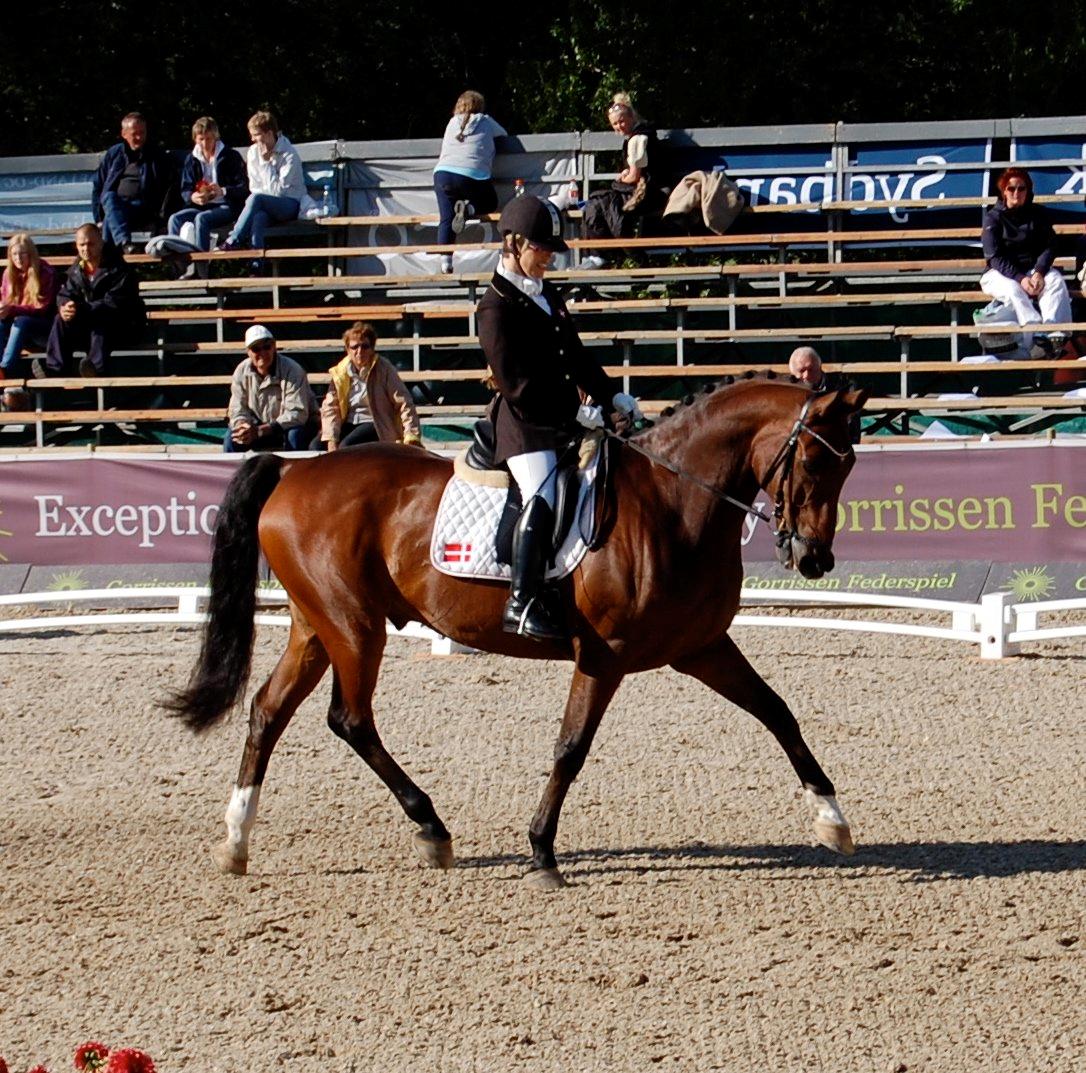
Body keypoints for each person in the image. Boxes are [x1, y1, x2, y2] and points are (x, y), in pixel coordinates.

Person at [478, 195, 643, 642]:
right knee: (544, 491)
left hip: (564, 419)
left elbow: (577, 355)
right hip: (524, 427)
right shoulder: (494, 307)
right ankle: (521, 600)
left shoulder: (547, 293)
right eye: (542, 247)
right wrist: (577, 411)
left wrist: (613, 396)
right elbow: (517, 386)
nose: (550, 255)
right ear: (512, 244)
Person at [980, 167, 1071, 358]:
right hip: (1000, 274)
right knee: (1014, 290)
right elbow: (994, 257)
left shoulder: (1038, 214)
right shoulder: (993, 218)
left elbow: (1050, 245)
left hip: (1031, 270)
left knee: (1054, 279)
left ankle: (1053, 333)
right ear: (1003, 191)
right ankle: (1036, 336)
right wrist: (1021, 278)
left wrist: (1038, 271)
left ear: (1028, 191)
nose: (1016, 193)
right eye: (1011, 188)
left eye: (1021, 189)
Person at [34, 223, 144, 379]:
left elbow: (115, 303)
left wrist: (80, 309)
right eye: (82, 245)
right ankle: (55, 369)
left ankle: (96, 370)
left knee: (101, 320)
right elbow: (65, 293)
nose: (86, 249)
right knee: (60, 319)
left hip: (123, 326)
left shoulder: (120, 269)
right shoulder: (75, 270)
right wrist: (65, 306)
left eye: (90, 244)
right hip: (86, 324)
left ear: (101, 242)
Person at [580, 93, 665, 269]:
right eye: (615, 124)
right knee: (600, 202)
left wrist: (623, 177)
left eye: (621, 121)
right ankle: (607, 253)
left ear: (631, 117)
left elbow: (634, 177)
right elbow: (637, 169)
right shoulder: (640, 135)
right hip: (646, 188)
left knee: (599, 202)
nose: (618, 127)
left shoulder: (637, 139)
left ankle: (606, 253)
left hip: (649, 193)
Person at [218, 111, 316, 258]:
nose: (252, 139)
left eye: (256, 135)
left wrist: (266, 163)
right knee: (259, 217)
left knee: (256, 199)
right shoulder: (252, 153)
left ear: (269, 133)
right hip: (265, 204)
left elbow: (279, 193)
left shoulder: (289, 155)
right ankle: (256, 265)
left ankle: (234, 239)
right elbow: (254, 186)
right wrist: (264, 198)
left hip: (290, 204)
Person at [432, 91, 507, 274]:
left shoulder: (451, 123)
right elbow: (504, 134)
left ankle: (446, 264)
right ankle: (469, 209)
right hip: (471, 174)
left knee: (446, 218)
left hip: (442, 173)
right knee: (490, 202)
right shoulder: (486, 121)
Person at [317, 321, 422, 450]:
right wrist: (331, 439)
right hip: (347, 423)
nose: (359, 351)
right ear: (347, 349)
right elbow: (331, 408)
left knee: (346, 447)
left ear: (372, 348)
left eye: (365, 346)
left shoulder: (384, 369)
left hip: (375, 423)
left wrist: (411, 435)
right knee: (315, 446)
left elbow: (404, 402)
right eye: (355, 347)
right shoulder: (339, 372)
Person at [91, 112, 176, 252]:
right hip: (117, 207)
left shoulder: (156, 155)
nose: (139, 137)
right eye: (135, 134)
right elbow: (98, 186)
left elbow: (169, 187)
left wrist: (162, 219)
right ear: (124, 134)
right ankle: (124, 243)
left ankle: (111, 261)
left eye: (142, 133)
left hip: (143, 208)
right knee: (109, 201)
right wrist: (98, 219)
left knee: (110, 217)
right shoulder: (114, 154)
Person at [225, 324, 317, 452]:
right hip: (258, 428)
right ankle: (230, 472)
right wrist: (242, 426)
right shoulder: (241, 371)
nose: (262, 353)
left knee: (295, 435)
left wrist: (262, 430)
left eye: (267, 347)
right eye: (256, 349)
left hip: (289, 427)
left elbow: (297, 413)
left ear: (274, 346)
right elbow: (237, 408)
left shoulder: (293, 370)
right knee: (232, 437)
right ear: (248, 352)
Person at [168, 117, 248, 254]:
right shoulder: (192, 159)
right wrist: (192, 197)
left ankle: (201, 268)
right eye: (201, 139)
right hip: (201, 206)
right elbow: (185, 188)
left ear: (216, 137)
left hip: (226, 206)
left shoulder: (230, 156)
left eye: (209, 139)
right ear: (195, 139)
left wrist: (223, 191)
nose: (205, 143)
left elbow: (243, 187)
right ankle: (178, 267)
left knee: (202, 219)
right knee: (175, 219)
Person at [0, 233, 58, 379]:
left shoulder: (45, 271)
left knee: (22, 321)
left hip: (43, 325)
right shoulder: (8, 274)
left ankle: (5, 369)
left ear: (31, 254)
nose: (18, 258)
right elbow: (6, 301)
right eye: (14, 254)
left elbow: (42, 308)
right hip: (16, 325)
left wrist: (11, 309)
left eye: (22, 254)